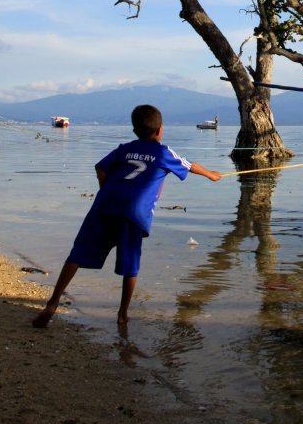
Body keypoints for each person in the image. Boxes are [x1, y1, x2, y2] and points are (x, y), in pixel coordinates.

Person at [32, 104, 221, 328]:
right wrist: (212, 175)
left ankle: (53, 303)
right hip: (133, 213)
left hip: (104, 206)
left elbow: (100, 168)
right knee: (130, 265)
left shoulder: (124, 149)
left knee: (77, 255)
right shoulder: (163, 152)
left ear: (134, 130)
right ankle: (122, 314)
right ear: (160, 130)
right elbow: (189, 166)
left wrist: (106, 190)